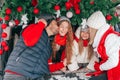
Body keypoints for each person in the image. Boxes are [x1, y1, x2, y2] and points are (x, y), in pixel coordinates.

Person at [86, 11, 120, 80]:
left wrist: (100, 67)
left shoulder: (110, 38)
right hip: (112, 71)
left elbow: (114, 61)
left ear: (94, 28)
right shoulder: (103, 38)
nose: (88, 31)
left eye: (89, 28)